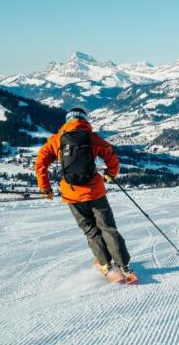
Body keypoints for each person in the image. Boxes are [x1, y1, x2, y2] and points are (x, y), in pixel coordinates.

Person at [34, 107, 136, 283]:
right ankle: (124, 266)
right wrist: (111, 174)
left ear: (67, 121)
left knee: (91, 230)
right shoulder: (92, 138)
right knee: (108, 228)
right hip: (96, 191)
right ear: (85, 120)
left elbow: (40, 162)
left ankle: (106, 266)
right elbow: (111, 157)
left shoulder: (57, 139)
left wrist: (45, 187)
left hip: (72, 194)